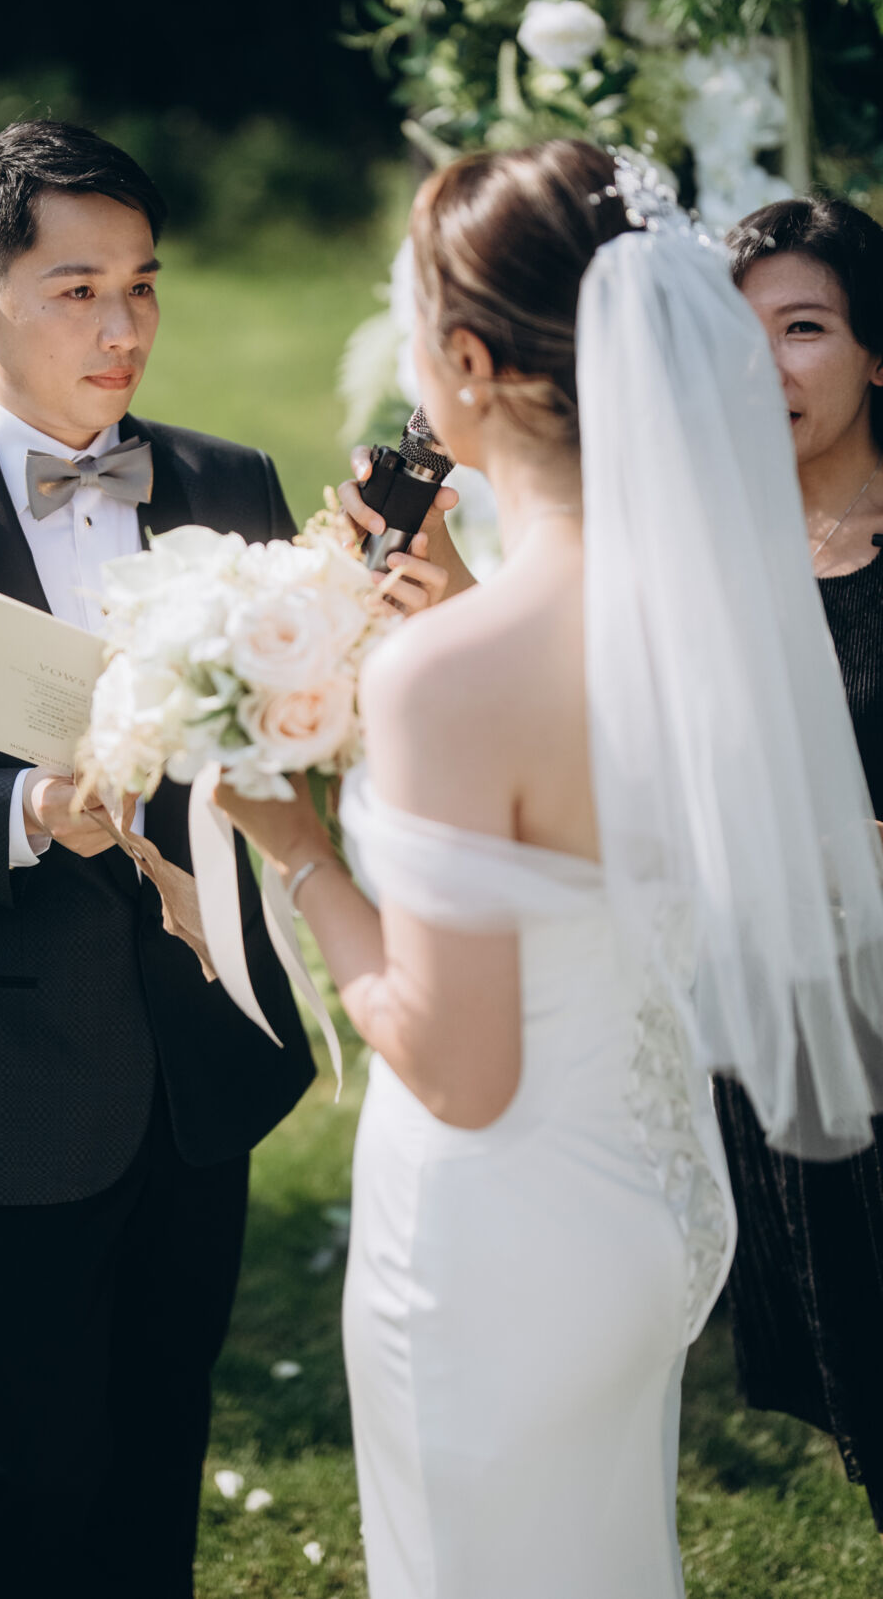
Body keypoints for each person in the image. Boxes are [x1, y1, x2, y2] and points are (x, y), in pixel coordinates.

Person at [0, 118, 451, 1599]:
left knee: (156, 1451)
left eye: (142, 286)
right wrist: (21, 811)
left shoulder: (227, 481)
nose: (123, 327)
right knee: (21, 1472)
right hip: (8, 1081)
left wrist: (361, 636)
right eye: (77, 291)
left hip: (200, 1063)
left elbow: (301, 734)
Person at [214, 140, 883, 1597]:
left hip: (495, 1238)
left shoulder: (456, 674)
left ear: (465, 359)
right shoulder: (710, 613)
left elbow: (460, 1068)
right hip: (651, 1208)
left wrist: (299, 849)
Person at [715, 194, 883, 1526]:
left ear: (877, 351)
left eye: (806, 328)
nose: (765, 365)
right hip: (793, 1056)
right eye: (737, 334)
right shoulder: (710, 557)